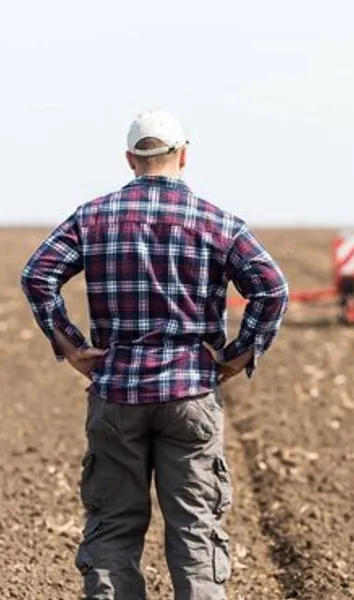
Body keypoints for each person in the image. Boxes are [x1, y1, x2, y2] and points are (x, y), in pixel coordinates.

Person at [19, 109, 290, 600]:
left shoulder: (92, 217)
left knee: (114, 529)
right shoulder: (218, 222)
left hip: (117, 394)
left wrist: (71, 345)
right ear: (184, 155)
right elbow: (272, 289)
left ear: (130, 159)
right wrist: (236, 355)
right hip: (190, 395)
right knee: (195, 533)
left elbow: (37, 275)